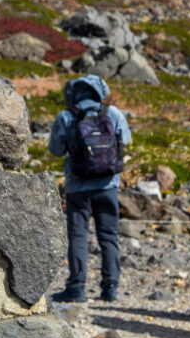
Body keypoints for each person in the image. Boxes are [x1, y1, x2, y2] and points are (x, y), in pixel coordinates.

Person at [47, 75, 131, 303]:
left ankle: (76, 288)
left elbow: (55, 150)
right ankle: (110, 287)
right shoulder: (112, 114)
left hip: (77, 187)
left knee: (78, 236)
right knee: (109, 236)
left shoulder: (66, 116)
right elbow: (127, 140)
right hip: (108, 185)